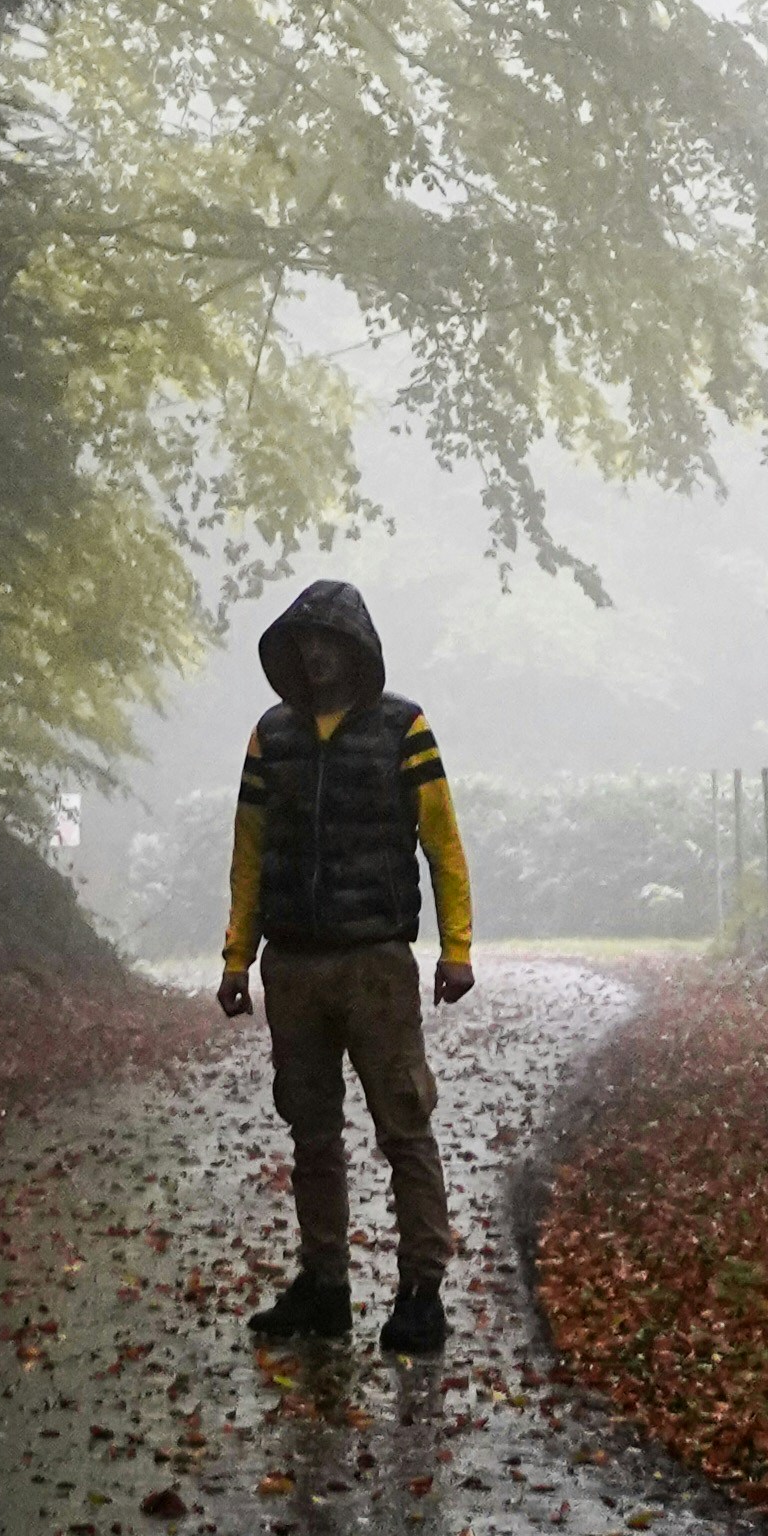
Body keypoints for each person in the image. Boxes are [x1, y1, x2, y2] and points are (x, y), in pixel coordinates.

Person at [215, 574, 475, 1353]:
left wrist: (457, 949)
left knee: (404, 1124)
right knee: (312, 1135)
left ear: (356, 647)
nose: (316, 654)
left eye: (328, 640)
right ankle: (324, 1285)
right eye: (304, 641)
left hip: (375, 963)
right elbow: (249, 853)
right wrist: (237, 957)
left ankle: (421, 1291)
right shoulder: (271, 736)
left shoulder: (404, 728)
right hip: (291, 963)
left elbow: (443, 842)